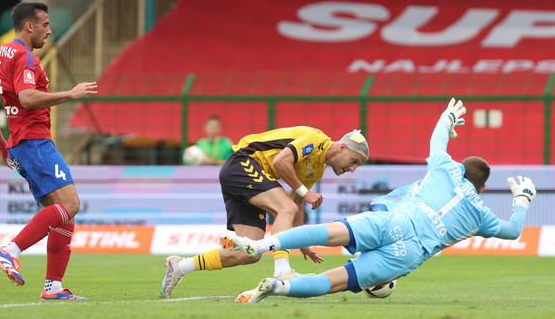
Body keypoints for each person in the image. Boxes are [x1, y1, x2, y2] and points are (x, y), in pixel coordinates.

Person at [220, 98, 537, 303]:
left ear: (459, 168)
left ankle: (261, 246)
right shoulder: (481, 214)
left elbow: (437, 140)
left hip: (395, 221)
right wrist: (522, 199)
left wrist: (448, 118)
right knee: (332, 283)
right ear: (481, 190)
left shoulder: (445, 169)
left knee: (326, 232)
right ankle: (277, 287)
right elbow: (512, 231)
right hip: (408, 252)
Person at [161, 126, 370, 298]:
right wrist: (306, 193)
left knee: (249, 253)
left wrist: (303, 243)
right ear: (342, 147)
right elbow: (281, 162)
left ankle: (181, 266)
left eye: (356, 166)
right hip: (243, 163)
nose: (352, 169)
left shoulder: (317, 168)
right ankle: (282, 271)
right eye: (354, 161)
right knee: (285, 207)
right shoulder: (316, 140)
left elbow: (296, 204)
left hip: (245, 177)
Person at [0, 2, 97, 300]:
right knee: (70, 204)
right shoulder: (24, 56)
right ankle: (10, 250)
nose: (48, 30)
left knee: (59, 215)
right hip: (35, 142)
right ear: (28, 26)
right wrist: (70, 94)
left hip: (19, 145)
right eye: (44, 24)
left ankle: (53, 287)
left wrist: (2, 146)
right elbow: (28, 97)